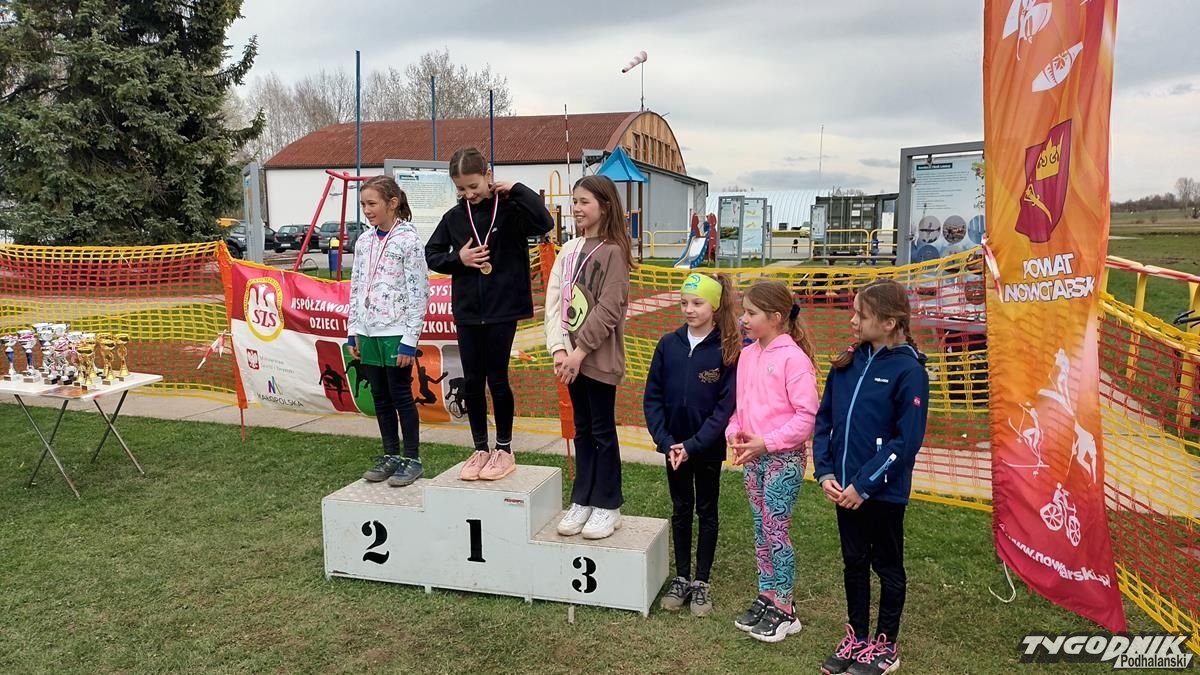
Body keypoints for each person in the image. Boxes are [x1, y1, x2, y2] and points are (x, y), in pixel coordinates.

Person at [813, 279, 929, 675]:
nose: (852, 321)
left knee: (887, 566)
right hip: (842, 490)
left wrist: (864, 485)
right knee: (854, 562)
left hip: (882, 494)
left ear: (890, 322)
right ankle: (858, 637)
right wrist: (826, 471)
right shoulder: (848, 361)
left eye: (861, 315)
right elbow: (824, 420)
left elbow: (906, 441)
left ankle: (885, 645)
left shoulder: (909, 371)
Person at [426, 147, 554, 481]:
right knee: (472, 381)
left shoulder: (510, 209)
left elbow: (545, 222)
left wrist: (518, 189)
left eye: (473, 186)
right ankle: (480, 448)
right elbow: (432, 253)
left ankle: (504, 449)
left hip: (502, 309)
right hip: (468, 310)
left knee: (497, 379)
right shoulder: (455, 217)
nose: (469, 194)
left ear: (488, 175)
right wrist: (459, 260)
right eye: (461, 189)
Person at [726, 280, 819, 643]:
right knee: (760, 528)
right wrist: (734, 431)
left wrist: (767, 442)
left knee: (776, 530)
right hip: (754, 459)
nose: (743, 319)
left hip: (784, 459)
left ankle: (785, 607)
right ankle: (766, 595)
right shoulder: (748, 355)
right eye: (744, 312)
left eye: (751, 313)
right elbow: (741, 407)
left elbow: (806, 418)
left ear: (777, 317)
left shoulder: (794, 360)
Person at [644, 272, 740, 617]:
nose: (689, 309)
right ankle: (682, 577)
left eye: (697, 303)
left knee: (707, 510)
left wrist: (695, 445)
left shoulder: (727, 349)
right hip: (674, 449)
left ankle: (702, 581)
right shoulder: (668, 344)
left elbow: (724, 407)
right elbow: (652, 398)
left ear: (714, 305)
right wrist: (667, 441)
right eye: (684, 302)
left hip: (706, 448)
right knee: (681, 508)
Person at [544, 175, 633, 540]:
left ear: (605, 206)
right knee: (581, 430)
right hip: (571, 359)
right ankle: (583, 498)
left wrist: (580, 352)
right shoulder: (570, 249)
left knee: (601, 431)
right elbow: (558, 303)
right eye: (575, 201)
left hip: (597, 358)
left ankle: (608, 505)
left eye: (584, 202)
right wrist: (560, 350)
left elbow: (609, 309)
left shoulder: (614, 252)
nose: (577, 208)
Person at [348, 175, 430, 488]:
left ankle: (412, 458)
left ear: (392, 203)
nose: (367, 210)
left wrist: (410, 339)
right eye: (363, 204)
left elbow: (419, 291)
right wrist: (353, 329)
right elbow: (356, 287)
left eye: (372, 203)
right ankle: (390, 454)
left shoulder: (409, 240)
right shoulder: (363, 242)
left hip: (396, 331)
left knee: (400, 396)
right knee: (380, 396)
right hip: (368, 331)